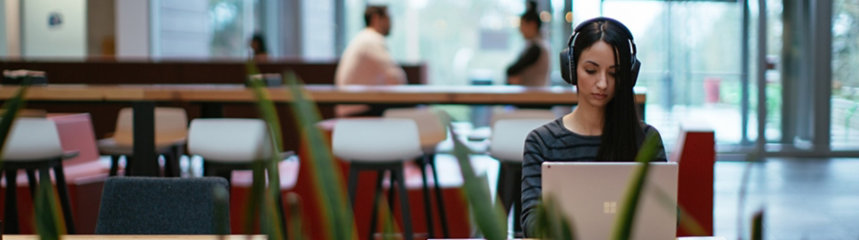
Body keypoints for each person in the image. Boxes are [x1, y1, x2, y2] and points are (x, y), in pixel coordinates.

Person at [519, 17, 667, 236]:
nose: (602, 84)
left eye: (614, 73)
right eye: (591, 70)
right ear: (571, 69)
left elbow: (666, 218)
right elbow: (532, 222)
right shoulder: (541, 142)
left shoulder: (646, 139)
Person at [335, 5, 406, 117]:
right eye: (388, 18)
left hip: (352, 107)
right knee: (415, 113)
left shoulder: (362, 38)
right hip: (358, 109)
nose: (391, 23)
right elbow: (397, 78)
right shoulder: (371, 40)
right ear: (376, 18)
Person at [506, 1, 550, 87]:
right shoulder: (536, 45)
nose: (520, 30)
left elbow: (512, 69)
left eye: (522, 25)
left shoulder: (537, 47)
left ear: (532, 25)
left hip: (534, 95)